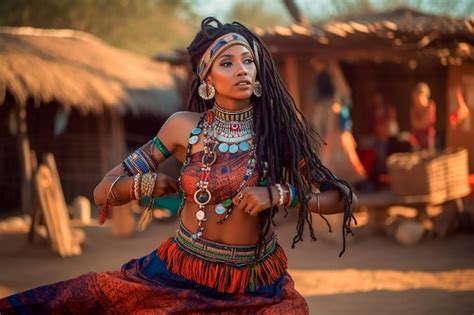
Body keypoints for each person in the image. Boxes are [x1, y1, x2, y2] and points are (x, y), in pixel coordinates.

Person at [0, 17, 358, 314]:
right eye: (227, 63)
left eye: (248, 61)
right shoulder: (182, 127)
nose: (242, 70)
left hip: (256, 284)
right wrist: (145, 184)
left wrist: (280, 194)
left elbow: (343, 199)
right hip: (178, 273)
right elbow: (102, 191)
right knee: (77, 300)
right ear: (206, 79)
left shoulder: (277, 131)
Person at [410, 82, 436, 151]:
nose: (416, 99)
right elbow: (414, 123)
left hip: (428, 138)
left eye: (418, 96)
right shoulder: (414, 108)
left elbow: (426, 123)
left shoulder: (430, 106)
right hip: (417, 139)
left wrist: (419, 124)